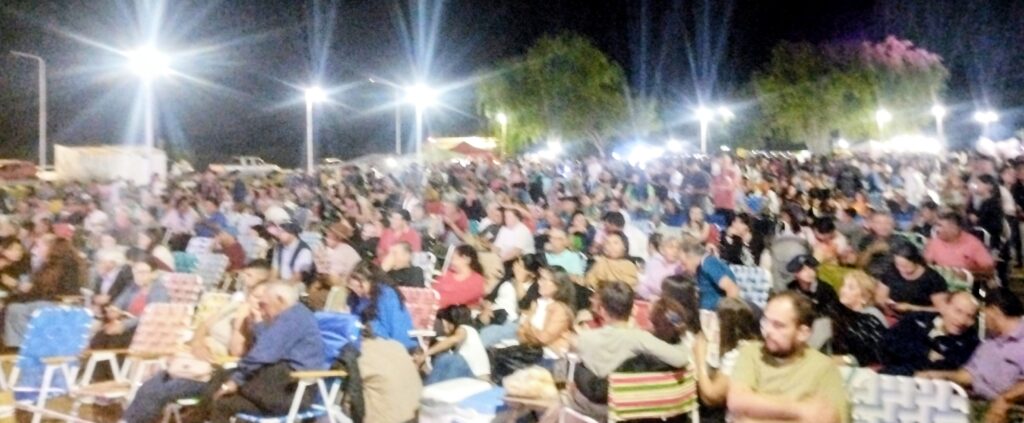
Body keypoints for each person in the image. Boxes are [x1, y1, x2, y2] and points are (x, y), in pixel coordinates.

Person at [569, 281, 692, 420]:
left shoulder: (585, 338)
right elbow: (681, 358)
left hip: (594, 407)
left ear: (602, 310)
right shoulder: (640, 338)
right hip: (629, 410)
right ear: (633, 309)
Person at [208, 282, 326, 423]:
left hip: (290, 391)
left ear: (280, 300)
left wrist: (235, 380)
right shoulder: (293, 316)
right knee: (221, 395)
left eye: (264, 305)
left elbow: (263, 354)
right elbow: (267, 345)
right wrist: (258, 323)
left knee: (223, 384)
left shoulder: (293, 318)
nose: (262, 309)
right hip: (277, 388)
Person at [727, 291, 849, 423]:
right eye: (765, 321)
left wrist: (754, 413)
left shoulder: (823, 367)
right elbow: (737, 401)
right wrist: (800, 410)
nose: (768, 331)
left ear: (803, 333)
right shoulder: (752, 352)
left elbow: (830, 418)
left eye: (778, 325)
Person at [917, 290, 1024, 423]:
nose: (982, 320)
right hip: (975, 402)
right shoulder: (990, 342)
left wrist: (1005, 400)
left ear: (994, 311)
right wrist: (940, 376)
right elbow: (971, 374)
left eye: (983, 314)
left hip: (1010, 409)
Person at [4, 236, 86, 347]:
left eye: (38, 246)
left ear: (49, 247)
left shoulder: (68, 266)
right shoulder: (49, 266)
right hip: (46, 301)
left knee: (19, 309)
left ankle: (35, 345)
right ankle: (19, 346)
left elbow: (53, 291)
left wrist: (22, 290)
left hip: (59, 304)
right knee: (14, 308)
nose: (34, 251)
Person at [879, 290, 980, 376]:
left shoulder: (971, 342)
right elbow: (888, 342)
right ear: (945, 307)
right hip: (891, 374)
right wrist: (927, 353)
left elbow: (948, 368)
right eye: (958, 311)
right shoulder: (918, 318)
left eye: (970, 316)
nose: (962, 320)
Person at [693, 297, 760, 409]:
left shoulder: (737, 356)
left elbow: (710, 397)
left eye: (717, 322)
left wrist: (700, 356)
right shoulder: (752, 345)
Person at [346, 262, 416, 349]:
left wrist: (369, 327)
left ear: (371, 281)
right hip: (370, 341)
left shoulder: (387, 296)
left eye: (360, 286)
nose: (357, 291)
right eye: (353, 288)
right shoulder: (358, 298)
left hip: (395, 344)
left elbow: (396, 330)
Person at [416, 305, 490, 385]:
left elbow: (454, 339)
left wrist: (426, 354)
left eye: (444, 324)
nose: (443, 329)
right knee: (446, 361)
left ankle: (429, 389)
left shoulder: (464, 328)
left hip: (477, 378)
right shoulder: (470, 336)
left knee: (448, 359)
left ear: (450, 322)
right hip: (473, 377)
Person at [830, 270, 888, 367]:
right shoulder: (840, 313)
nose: (843, 290)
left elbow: (873, 353)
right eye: (843, 285)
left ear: (864, 298)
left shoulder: (872, 317)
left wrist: (845, 359)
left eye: (851, 288)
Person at [877, 241, 948, 315]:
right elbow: (880, 297)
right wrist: (887, 305)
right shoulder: (892, 271)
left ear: (915, 261)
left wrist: (911, 308)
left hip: (921, 317)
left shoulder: (933, 279)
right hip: (892, 314)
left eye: (905, 266)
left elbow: (941, 309)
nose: (901, 269)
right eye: (898, 265)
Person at [678, 236, 740, 310]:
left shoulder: (708, 264)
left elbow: (732, 289)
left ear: (692, 257)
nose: (683, 268)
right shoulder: (700, 267)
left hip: (714, 312)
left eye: (684, 263)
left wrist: (724, 313)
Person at [924, 211, 996, 275]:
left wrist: (967, 274)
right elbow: (926, 264)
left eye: (940, 226)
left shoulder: (972, 243)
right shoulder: (934, 242)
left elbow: (989, 269)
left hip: (969, 283)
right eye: (936, 225)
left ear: (954, 229)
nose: (936, 229)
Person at [269, 221, 315, 286]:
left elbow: (297, 277)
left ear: (292, 233)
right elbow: (274, 271)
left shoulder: (304, 251)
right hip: (280, 283)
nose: (278, 234)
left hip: (296, 286)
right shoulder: (278, 248)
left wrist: (280, 286)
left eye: (282, 231)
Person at [90, 248, 134, 314]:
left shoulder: (124, 277)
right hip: (98, 311)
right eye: (100, 262)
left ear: (113, 263)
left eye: (104, 262)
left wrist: (109, 299)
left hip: (115, 311)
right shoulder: (100, 276)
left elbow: (125, 297)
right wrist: (95, 300)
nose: (100, 264)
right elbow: (94, 294)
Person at [637, 235, 682, 300]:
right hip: (652, 299)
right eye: (671, 247)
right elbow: (643, 286)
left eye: (678, 248)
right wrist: (650, 296)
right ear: (662, 249)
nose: (675, 251)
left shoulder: (681, 267)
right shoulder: (654, 263)